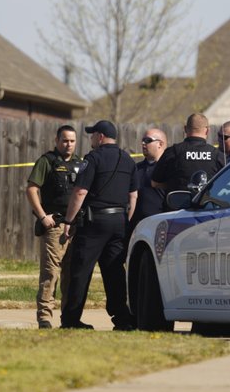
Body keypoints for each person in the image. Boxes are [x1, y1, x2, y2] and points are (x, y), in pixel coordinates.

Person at [61, 120, 138, 330]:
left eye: (92, 135)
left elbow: (80, 192)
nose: (90, 138)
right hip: (119, 222)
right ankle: (122, 319)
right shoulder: (128, 160)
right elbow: (133, 197)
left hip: (94, 222)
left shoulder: (93, 158)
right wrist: (124, 221)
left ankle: (71, 319)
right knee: (114, 272)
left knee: (81, 271)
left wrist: (68, 221)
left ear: (100, 137)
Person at [26, 125, 81, 329]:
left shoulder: (80, 163)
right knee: (51, 272)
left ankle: (68, 318)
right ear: (57, 140)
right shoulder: (46, 161)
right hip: (55, 226)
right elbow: (31, 189)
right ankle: (45, 318)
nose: (69, 144)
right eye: (65, 140)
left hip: (75, 227)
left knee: (71, 274)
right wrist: (42, 216)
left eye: (72, 141)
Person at [151, 113, 225, 194]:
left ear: (185, 129)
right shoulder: (217, 155)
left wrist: (174, 185)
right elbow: (227, 181)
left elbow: (155, 183)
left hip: (178, 204)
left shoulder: (173, 152)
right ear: (207, 131)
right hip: (207, 205)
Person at [127, 127, 168, 241]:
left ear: (160, 144)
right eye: (143, 140)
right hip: (137, 228)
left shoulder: (170, 168)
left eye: (148, 140)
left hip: (161, 227)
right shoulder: (136, 169)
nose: (143, 143)